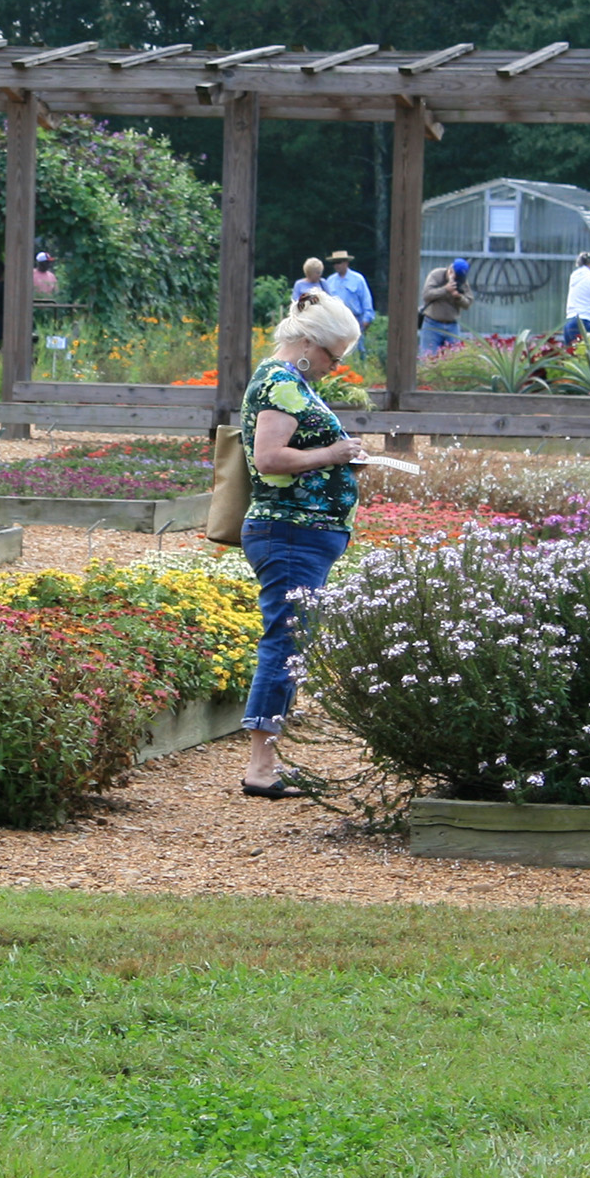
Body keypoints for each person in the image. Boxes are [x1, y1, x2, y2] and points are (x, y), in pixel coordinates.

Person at [238, 291, 369, 799]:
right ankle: (261, 767)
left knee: (289, 640)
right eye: (334, 357)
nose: (335, 367)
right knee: (285, 643)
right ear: (308, 344)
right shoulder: (281, 382)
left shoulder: (289, 382)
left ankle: (268, 760)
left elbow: (297, 451)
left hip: (301, 532)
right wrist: (334, 451)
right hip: (291, 531)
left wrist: (339, 458)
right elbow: (270, 458)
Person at [420, 258, 473, 356]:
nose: (457, 281)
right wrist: (445, 289)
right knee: (428, 359)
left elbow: (468, 303)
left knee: (454, 360)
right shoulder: (436, 275)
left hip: (452, 326)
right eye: (456, 277)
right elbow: (426, 295)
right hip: (432, 324)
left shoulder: (462, 281)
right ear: (451, 271)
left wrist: (458, 297)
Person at [320, 250, 374, 329]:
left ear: (346, 262)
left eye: (339, 262)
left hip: (355, 320)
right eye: (334, 263)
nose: (336, 265)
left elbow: (366, 300)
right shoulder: (330, 281)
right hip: (335, 322)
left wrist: (366, 319)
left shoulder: (358, 279)